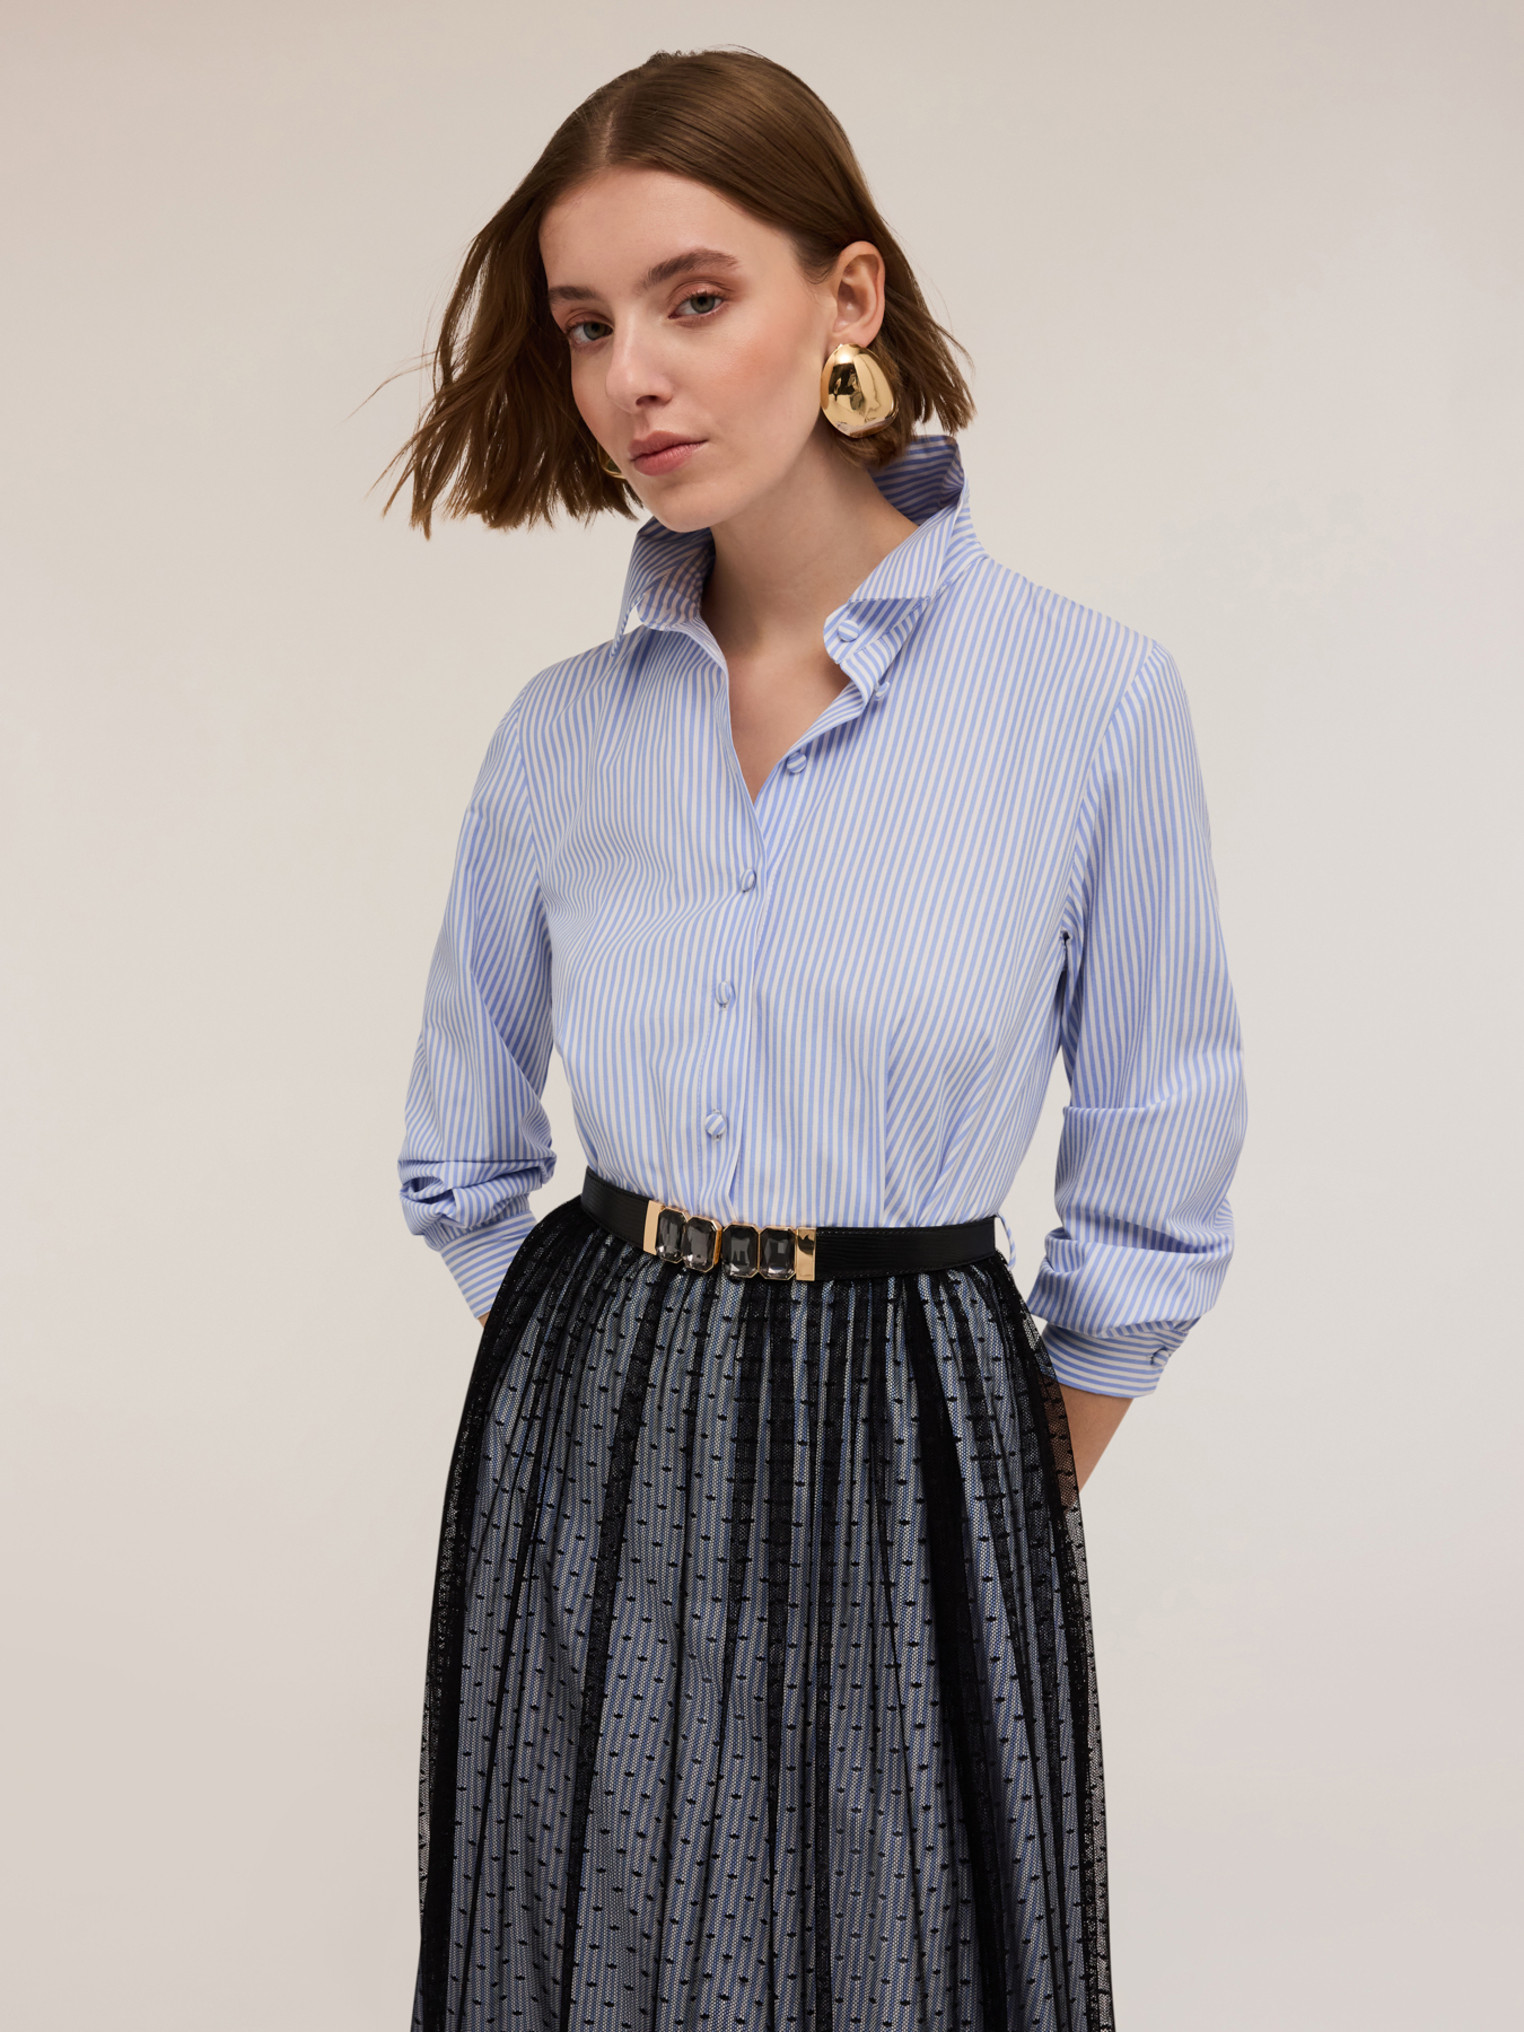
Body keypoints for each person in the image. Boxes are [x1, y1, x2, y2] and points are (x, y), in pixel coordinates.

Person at [391, 46, 1245, 2032]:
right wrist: (608, 1409)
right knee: (593, 1976)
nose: (633, 378)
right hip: (595, 1442)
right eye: (586, 325)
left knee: (900, 1971)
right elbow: (460, 1154)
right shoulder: (563, 735)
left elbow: (1157, 1172)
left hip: (924, 1441)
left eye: (694, 299)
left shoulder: (1090, 703)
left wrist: (966, 1486)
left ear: (847, 296)